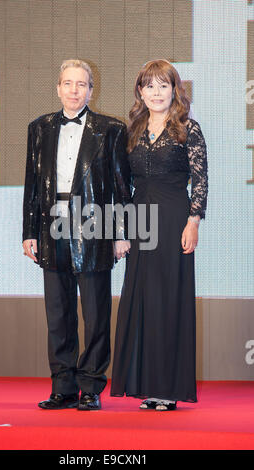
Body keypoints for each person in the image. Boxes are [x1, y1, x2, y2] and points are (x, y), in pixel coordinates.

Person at [22, 59, 131, 411]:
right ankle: (63, 386)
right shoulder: (38, 128)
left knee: (96, 312)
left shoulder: (111, 130)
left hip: (95, 222)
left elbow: (120, 187)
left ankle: (90, 387)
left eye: (80, 84)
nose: (73, 90)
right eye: (67, 84)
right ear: (58, 88)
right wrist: (29, 232)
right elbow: (32, 186)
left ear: (90, 89)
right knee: (58, 312)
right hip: (51, 222)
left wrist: (121, 233)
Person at [110, 59, 208, 410]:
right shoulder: (132, 130)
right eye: (149, 85)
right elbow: (122, 185)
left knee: (169, 300)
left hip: (172, 218)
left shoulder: (188, 129)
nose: (156, 92)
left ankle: (167, 387)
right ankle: (145, 385)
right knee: (142, 301)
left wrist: (193, 221)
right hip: (139, 220)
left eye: (163, 85)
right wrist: (120, 231)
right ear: (140, 91)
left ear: (174, 90)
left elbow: (201, 180)